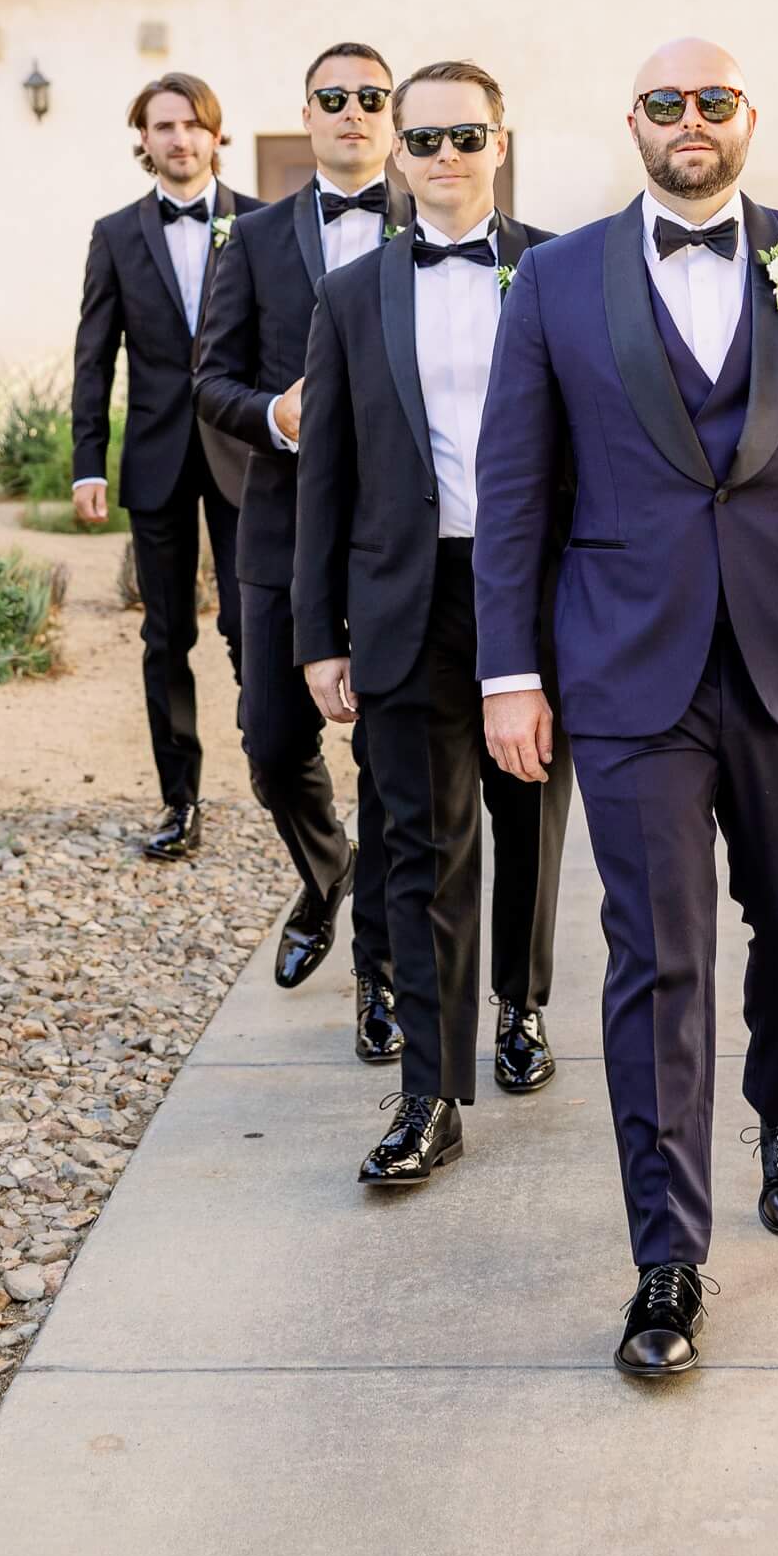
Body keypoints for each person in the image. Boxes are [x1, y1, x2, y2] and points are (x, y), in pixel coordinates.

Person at [476, 36, 778, 1380]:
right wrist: (508, 671)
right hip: (626, 674)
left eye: (714, 100)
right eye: (664, 101)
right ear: (630, 120)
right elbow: (514, 490)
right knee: (657, 958)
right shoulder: (556, 280)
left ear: (751, 116)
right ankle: (666, 1256)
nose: (690, 121)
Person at [293, 59, 572, 1187]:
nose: (444, 157)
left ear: (500, 142)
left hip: (537, 598)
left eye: (467, 136)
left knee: (531, 819)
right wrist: (320, 631)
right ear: (396, 155)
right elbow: (328, 477)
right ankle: (428, 1090)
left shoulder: (562, 271)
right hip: (406, 602)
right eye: (424, 140)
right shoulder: (352, 295)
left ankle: (519, 1005)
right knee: (419, 848)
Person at [194, 42, 403, 1064]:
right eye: (334, 98)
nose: (353, 113)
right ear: (307, 115)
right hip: (279, 538)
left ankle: (381, 981)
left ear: (393, 115)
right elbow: (209, 379)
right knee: (273, 745)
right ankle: (328, 874)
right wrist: (274, 412)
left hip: (402, 542)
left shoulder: (437, 224)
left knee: (390, 763)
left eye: (371, 97)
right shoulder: (255, 236)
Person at [71, 73, 264, 862]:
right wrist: (88, 462)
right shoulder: (115, 234)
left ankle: (278, 778)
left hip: (246, 455)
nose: (179, 138)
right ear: (143, 141)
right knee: (165, 634)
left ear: (217, 135)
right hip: (153, 456)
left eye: (192, 124)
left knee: (255, 629)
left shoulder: (261, 223)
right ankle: (179, 800)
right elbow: (94, 356)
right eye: (163, 126)